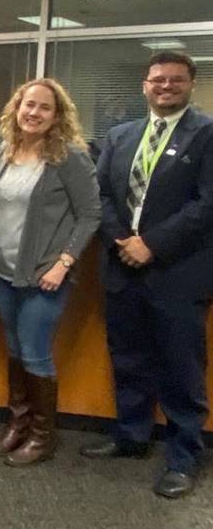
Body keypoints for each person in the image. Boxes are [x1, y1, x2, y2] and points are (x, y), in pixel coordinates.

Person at [81, 51, 213, 499]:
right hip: (122, 266)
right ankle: (132, 436)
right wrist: (123, 240)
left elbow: (207, 205)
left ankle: (185, 456)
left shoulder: (208, 134)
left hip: (178, 272)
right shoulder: (120, 135)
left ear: (190, 84)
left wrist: (151, 244)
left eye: (176, 80)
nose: (166, 86)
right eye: (158, 79)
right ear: (145, 85)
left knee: (182, 367)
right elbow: (99, 194)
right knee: (128, 357)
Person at [0, 78, 100, 466]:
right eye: (29, 105)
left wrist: (64, 263)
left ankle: (43, 437)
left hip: (44, 275)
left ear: (57, 115)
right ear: (17, 108)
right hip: (4, 273)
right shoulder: (5, 152)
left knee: (35, 353)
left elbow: (90, 214)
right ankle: (19, 425)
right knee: (14, 349)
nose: (34, 113)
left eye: (44, 107)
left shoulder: (69, 157)